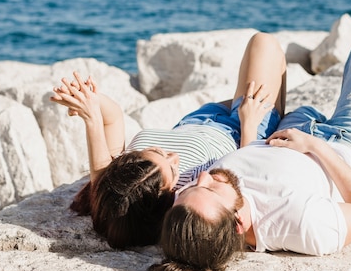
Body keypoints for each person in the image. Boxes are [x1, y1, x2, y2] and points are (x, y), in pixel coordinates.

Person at [148, 30, 351, 271]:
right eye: (210, 189)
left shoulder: (210, 203)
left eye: (191, 188)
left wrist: (250, 131)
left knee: (263, 44)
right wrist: (315, 146)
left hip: (289, 131)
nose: (203, 176)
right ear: (239, 224)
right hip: (346, 145)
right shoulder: (301, 224)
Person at [50, 32, 287, 248]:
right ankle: (279, 117)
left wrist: (89, 103)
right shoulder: (186, 199)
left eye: (157, 151)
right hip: (243, 128)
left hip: (202, 118)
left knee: (264, 53)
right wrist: (249, 124)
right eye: (173, 169)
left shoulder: (130, 184)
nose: (173, 156)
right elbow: (244, 186)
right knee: (264, 43)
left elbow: (110, 124)